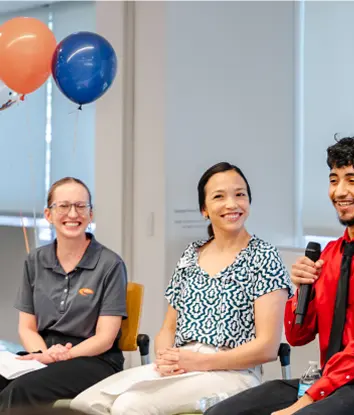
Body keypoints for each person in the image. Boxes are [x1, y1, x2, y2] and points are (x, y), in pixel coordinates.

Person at [205, 137, 354, 415]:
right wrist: (301, 290)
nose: (339, 191)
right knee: (219, 414)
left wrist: (307, 400)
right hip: (331, 381)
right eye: (334, 180)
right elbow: (298, 335)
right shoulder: (331, 254)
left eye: (352, 180)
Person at [70, 162, 292, 414]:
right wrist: (167, 358)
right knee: (83, 405)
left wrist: (202, 362)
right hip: (184, 364)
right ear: (204, 210)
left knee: (129, 405)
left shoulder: (264, 257)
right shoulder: (190, 255)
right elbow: (168, 328)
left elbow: (267, 347)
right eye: (219, 196)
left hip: (232, 372)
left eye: (240, 194)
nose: (232, 204)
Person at [0, 177, 128, 410]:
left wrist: (61, 356)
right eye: (63, 206)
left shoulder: (110, 264)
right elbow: (27, 327)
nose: (73, 214)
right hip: (45, 352)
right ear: (48, 215)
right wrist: (43, 354)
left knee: (22, 390)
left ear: (91, 214)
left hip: (95, 359)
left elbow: (105, 338)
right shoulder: (35, 261)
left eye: (81, 206)